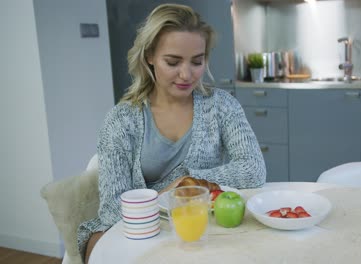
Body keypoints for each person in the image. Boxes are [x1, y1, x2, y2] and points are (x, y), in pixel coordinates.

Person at [77, 3, 266, 263]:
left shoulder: (221, 106)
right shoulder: (121, 120)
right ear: (150, 56)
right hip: (135, 231)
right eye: (173, 61)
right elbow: (112, 211)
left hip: (200, 225)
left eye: (197, 61)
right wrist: (169, 192)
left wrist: (189, 182)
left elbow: (254, 169)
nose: (187, 74)